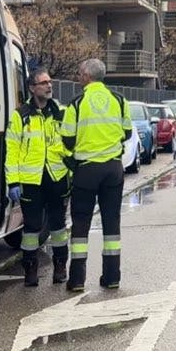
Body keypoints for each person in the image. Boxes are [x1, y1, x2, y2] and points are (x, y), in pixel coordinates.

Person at [60, 58, 132, 291]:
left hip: (86, 170)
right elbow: (128, 133)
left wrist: (80, 150)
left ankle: (77, 279)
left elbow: (67, 138)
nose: (79, 77)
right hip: (113, 169)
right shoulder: (119, 100)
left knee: (80, 223)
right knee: (112, 223)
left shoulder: (77, 103)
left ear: (87, 77)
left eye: (80, 74)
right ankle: (112, 277)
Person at [6, 68, 70, 286]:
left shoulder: (61, 112)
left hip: (56, 177)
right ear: (32, 88)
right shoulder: (20, 115)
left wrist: (71, 171)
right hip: (30, 181)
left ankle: (60, 266)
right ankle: (30, 269)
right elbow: (12, 150)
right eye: (43, 83)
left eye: (50, 82)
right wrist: (12, 181)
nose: (49, 86)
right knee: (31, 228)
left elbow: (70, 144)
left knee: (59, 226)